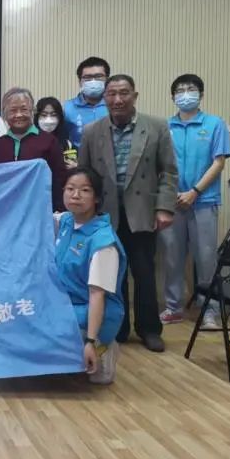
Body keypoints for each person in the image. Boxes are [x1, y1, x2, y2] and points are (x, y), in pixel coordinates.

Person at [78, 74, 178, 353]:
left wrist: (164, 207)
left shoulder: (156, 126)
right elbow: (85, 175)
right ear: (105, 98)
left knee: (144, 272)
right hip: (105, 214)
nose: (117, 99)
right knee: (111, 274)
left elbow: (169, 171)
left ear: (135, 95)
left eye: (123, 93)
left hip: (142, 211)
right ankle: (117, 328)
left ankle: (149, 329)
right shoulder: (92, 131)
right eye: (112, 94)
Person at [159, 74, 230, 329]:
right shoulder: (164, 126)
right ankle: (173, 307)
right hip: (172, 202)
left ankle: (209, 310)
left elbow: (219, 162)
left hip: (203, 200)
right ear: (172, 97)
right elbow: (159, 163)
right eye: (179, 90)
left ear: (201, 95)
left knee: (206, 258)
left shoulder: (214, 124)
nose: (185, 94)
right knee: (172, 257)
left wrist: (195, 191)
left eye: (190, 89)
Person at [55, 167, 126, 384]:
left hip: (93, 312)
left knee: (97, 378)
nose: (75, 195)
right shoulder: (66, 221)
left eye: (85, 190)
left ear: (96, 198)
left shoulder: (103, 242)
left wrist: (90, 341)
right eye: (70, 189)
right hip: (67, 305)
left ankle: (102, 347)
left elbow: (97, 295)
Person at [0, 88, 66, 211]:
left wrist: (57, 211)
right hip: (5, 211)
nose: (19, 115)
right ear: (4, 114)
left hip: (40, 210)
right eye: (13, 110)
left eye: (24, 109)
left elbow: (59, 179)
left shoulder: (49, 142)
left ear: (32, 111)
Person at [63, 57, 110, 149]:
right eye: (87, 77)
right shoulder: (67, 108)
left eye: (98, 76)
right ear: (80, 82)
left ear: (107, 80)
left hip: (110, 156)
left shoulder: (115, 106)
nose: (93, 81)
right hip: (78, 156)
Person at [35, 96, 77, 168]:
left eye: (53, 115)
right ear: (37, 117)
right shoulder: (29, 140)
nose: (48, 120)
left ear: (60, 118)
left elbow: (73, 164)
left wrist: (75, 166)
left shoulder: (67, 144)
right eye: (44, 115)